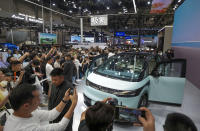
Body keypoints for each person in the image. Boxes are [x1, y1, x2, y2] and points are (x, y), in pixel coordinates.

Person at [4, 83, 78, 131]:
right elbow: (60, 126)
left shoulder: (26, 112)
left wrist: (64, 99)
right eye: (38, 99)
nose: (40, 101)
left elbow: (51, 115)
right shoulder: (25, 128)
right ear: (26, 105)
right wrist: (73, 104)